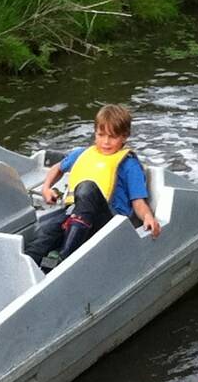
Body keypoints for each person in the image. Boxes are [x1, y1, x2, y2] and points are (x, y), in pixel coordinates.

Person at [25, 104, 161, 269]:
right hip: (77, 214)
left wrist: (148, 217)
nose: (106, 142)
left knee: (87, 188)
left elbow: (138, 202)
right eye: (101, 135)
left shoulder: (129, 164)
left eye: (112, 137)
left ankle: (65, 257)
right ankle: (25, 267)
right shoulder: (81, 154)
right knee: (47, 232)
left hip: (109, 221)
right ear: (95, 132)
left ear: (124, 137)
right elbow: (57, 168)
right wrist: (46, 188)